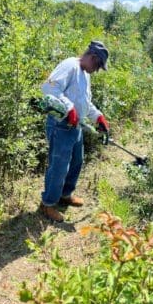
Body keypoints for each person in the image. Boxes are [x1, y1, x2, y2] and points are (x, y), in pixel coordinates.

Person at [39, 41, 111, 222]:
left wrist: (98, 117)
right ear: (93, 58)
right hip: (60, 125)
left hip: (76, 126)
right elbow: (49, 88)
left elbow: (85, 102)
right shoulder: (69, 65)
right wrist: (69, 108)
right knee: (59, 166)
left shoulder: (85, 74)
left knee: (77, 161)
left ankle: (65, 194)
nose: (97, 70)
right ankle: (48, 204)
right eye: (98, 66)